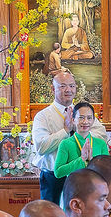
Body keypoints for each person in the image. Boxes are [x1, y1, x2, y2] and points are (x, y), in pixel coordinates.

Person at [30, 69, 82, 201]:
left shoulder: (84, 113)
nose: (68, 90)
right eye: (63, 86)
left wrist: (81, 130)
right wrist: (65, 131)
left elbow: (100, 135)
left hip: (80, 176)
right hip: (53, 178)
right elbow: (41, 147)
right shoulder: (43, 116)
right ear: (53, 89)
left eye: (71, 86)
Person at [51, 100, 111, 179]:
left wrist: (92, 161)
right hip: (73, 188)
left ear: (93, 120)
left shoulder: (100, 143)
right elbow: (58, 172)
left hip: (96, 189)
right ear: (73, 120)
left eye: (89, 118)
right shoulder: (65, 143)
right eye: (81, 118)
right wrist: (81, 159)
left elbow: (107, 171)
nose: (85, 122)